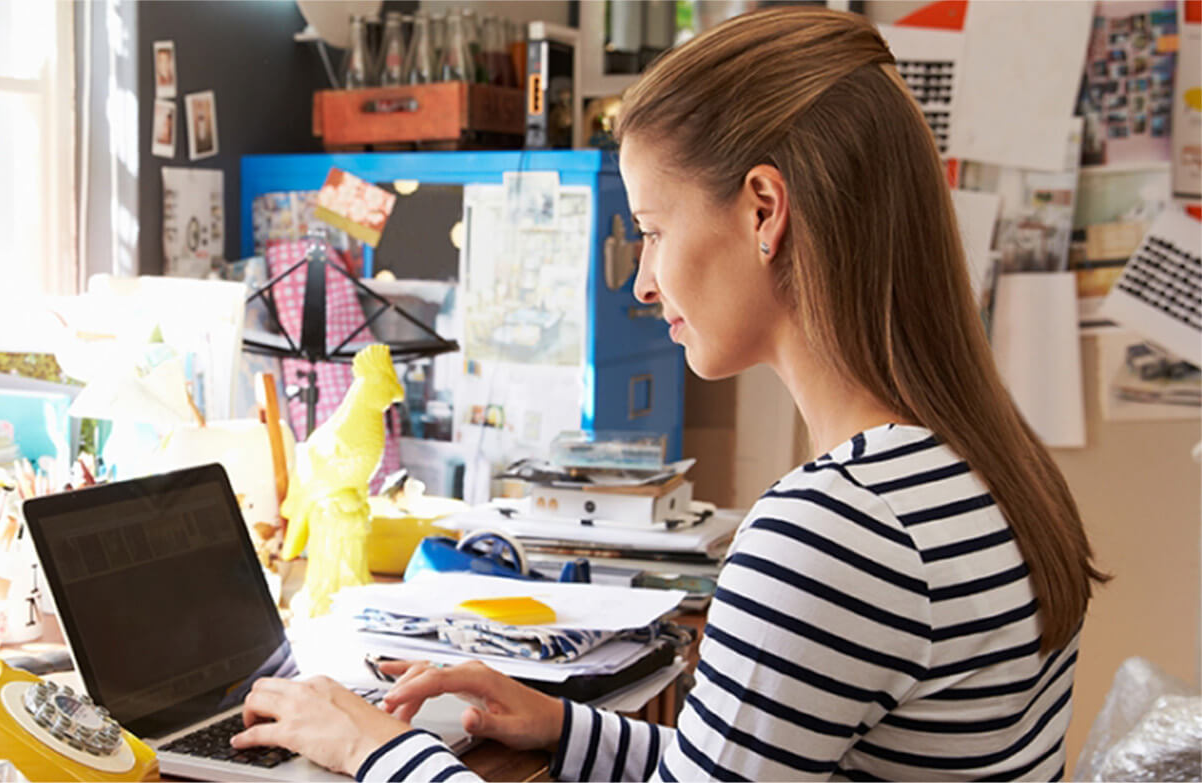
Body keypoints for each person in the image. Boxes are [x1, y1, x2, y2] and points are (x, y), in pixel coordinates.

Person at [230, 8, 1107, 781]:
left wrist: (374, 749)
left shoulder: (833, 532)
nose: (643, 282)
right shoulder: (986, 469)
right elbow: (757, 760)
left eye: (652, 230)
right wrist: (565, 726)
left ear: (763, 209)